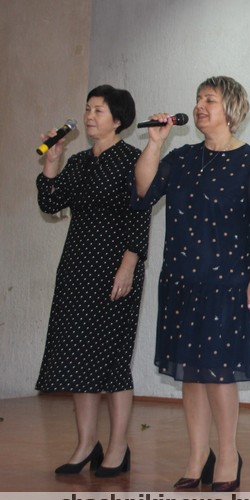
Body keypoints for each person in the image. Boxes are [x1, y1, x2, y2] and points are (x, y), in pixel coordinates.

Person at [133, 76, 250, 492]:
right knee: (190, 373)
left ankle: (229, 454)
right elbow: (143, 192)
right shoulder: (181, 158)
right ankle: (198, 456)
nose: (200, 106)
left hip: (228, 283)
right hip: (181, 280)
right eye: (198, 99)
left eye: (210, 100)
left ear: (231, 110)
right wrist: (154, 143)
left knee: (218, 373)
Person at [35, 85, 150, 478]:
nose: (88, 116)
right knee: (77, 358)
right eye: (87, 109)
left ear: (117, 120)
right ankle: (86, 444)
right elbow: (51, 202)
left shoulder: (132, 160)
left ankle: (118, 447)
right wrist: (51, 163)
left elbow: (140, 214)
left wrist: (129, 265)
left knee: (112, 361)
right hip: (77, 268)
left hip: (115, 269)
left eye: (98, 110)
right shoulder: (80, 161)